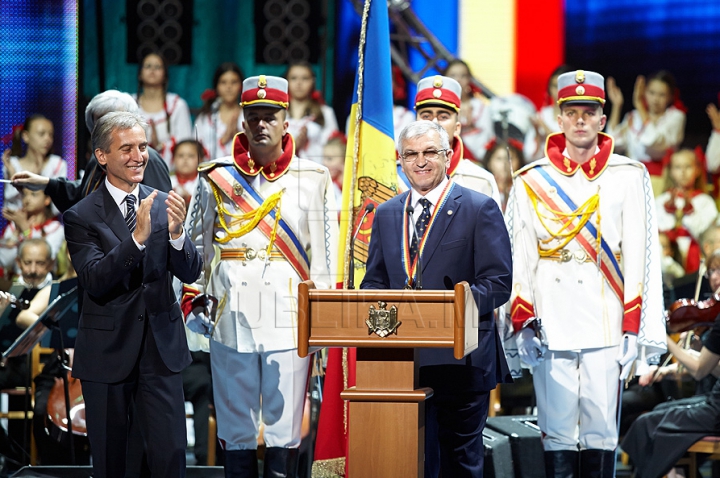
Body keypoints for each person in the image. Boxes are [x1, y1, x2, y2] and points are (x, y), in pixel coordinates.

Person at [506, 69, 666, 478]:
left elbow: (641, 256)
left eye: (589, 111)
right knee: (555, 430)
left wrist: (636, 327)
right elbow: (519, 256)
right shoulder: (530, 180)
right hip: (551, 317)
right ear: (558, 118)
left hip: (606, 318)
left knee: (601, 430)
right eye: (571, 111)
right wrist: (522, 320)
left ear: (602, 118)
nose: (579, 120)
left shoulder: (629, 175)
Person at [182, 75, 338, 477]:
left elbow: (323, 260)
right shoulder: (215, 177)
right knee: (235, 428)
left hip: (289, 316)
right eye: (254, 117)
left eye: (270, 116)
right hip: (230, 315)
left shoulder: (314, 177)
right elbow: (196, 249)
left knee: (285, 428)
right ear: (242, 121)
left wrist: (321, 318)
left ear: (287, 122)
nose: (262, 125)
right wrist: (193, 297)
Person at [361, 120, 512, 477]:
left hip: (462, 357)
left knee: (459, 462)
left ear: (447, 156)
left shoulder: (479, 207)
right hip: (403, 362)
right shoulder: (385, 214)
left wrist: (450, 310)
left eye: (430, 152)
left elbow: (498, 281)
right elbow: (373, 284)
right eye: (411, 155)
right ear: (400, 161)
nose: (421, 162)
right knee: (413, 461)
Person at [62, 111, 202, 478]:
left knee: (171, 459)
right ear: (102, 156)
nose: (139, 156)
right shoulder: (80, 216)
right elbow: (95, 279)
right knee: (113, 463)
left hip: (161, 351)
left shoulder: (161, 203)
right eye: (127, 149)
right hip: (107, 355)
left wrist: (176, 234)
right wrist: (137, 241)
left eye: (142, 147)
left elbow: (190, 271)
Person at [622, 247, 720, 478]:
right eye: (712, 271)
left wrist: (665, 339)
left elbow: (699, 370)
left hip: (716, 408)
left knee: (648, 424)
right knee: (657, 415)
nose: (715, 277)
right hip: (712, 401)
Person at [11, 90, 172, 213]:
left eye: (111, 121)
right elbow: (84, 196)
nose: (103, 129)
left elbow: (161, 211)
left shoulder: (146, 159)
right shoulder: (98, 158)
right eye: (99, 123)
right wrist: (45, 183)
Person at [407, 74, 501, 205]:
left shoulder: (481, 181)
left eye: (443, 117)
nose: (434, 123)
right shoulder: (397, 176)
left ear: (457, 128)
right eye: (426, 116)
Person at [606, 70, 686, 195]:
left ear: (670, 97)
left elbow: (654, 142)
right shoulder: (633, 116)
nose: (655, 99)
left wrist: (639, 105)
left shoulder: (675, 117)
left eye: (662, 95)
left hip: (662, 181)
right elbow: (613, 142)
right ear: (645, 93)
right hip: (633, 179)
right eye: (651, 93)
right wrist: (617, 106)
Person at [655, 148, 717, 274]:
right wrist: (668, 213)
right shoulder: (662, 200)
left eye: (688, 167)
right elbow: (657, 229)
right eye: (678, 167)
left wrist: (690, 212)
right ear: (671, 171)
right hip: (666, 258)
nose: (683, 172)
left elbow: (704, 235)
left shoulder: (704, 201)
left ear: (698, 170)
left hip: (694, 255)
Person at [133, 53, 192, 170]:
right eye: (148, 66)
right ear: (139, 74)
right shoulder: (129, 104)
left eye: (158, 67)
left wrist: (159, 146)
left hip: (169, 174)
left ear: (165, 75)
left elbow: (186, 147)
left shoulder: (177, 105)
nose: (152, 70)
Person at [2, 114, 66, 212]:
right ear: (25, 136)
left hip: (46, 225)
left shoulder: (57, 164)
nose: (47, 139)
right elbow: (9, 207)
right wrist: (12, 173)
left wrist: (39, 174)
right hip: (16, 226)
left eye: (50, 134)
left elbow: (57, 207)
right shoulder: (12, 164)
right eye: (41, 134)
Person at [0, 188, 64, 277]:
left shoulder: (55, 228)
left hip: (43, 281)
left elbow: (46, 256)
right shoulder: (14, 226)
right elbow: (4, 261)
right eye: (24, 195)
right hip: (18, 282)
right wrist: (17, 232)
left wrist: (25, 229)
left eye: (34, 194)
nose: (27, 199)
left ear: (47, 199)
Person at [285, 61, 339, 162]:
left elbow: (335, 147)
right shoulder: (279, 113)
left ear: (313, 81)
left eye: (305, 78)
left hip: (317, 170)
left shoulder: (326, 112)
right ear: (286, 81)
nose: (299, 83)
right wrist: (294, 146)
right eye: (293, 78)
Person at [443, 59, 494, 161]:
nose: (458, 80)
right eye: (453, 75)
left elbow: (488, 138)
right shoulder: (438, 106)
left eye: (463, 76)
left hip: (475, 161)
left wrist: (470, 128)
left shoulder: (480, 106)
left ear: (469, 79)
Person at [194, 62, 245, 161]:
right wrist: (223, 140)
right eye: (223, 82)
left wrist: (237, 136)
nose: (229, 87)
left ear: (241, 86)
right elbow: (194, 150)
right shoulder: (205, 117)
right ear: (216, 86)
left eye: (234, 82)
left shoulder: (248, 116)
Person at [170, 139, 203, 206]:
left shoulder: (203, 183)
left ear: (201, 159)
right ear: (173, 159)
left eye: (191, 156)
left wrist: (189, 199)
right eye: (181, 155)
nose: (185, 159)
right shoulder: (168, 181)